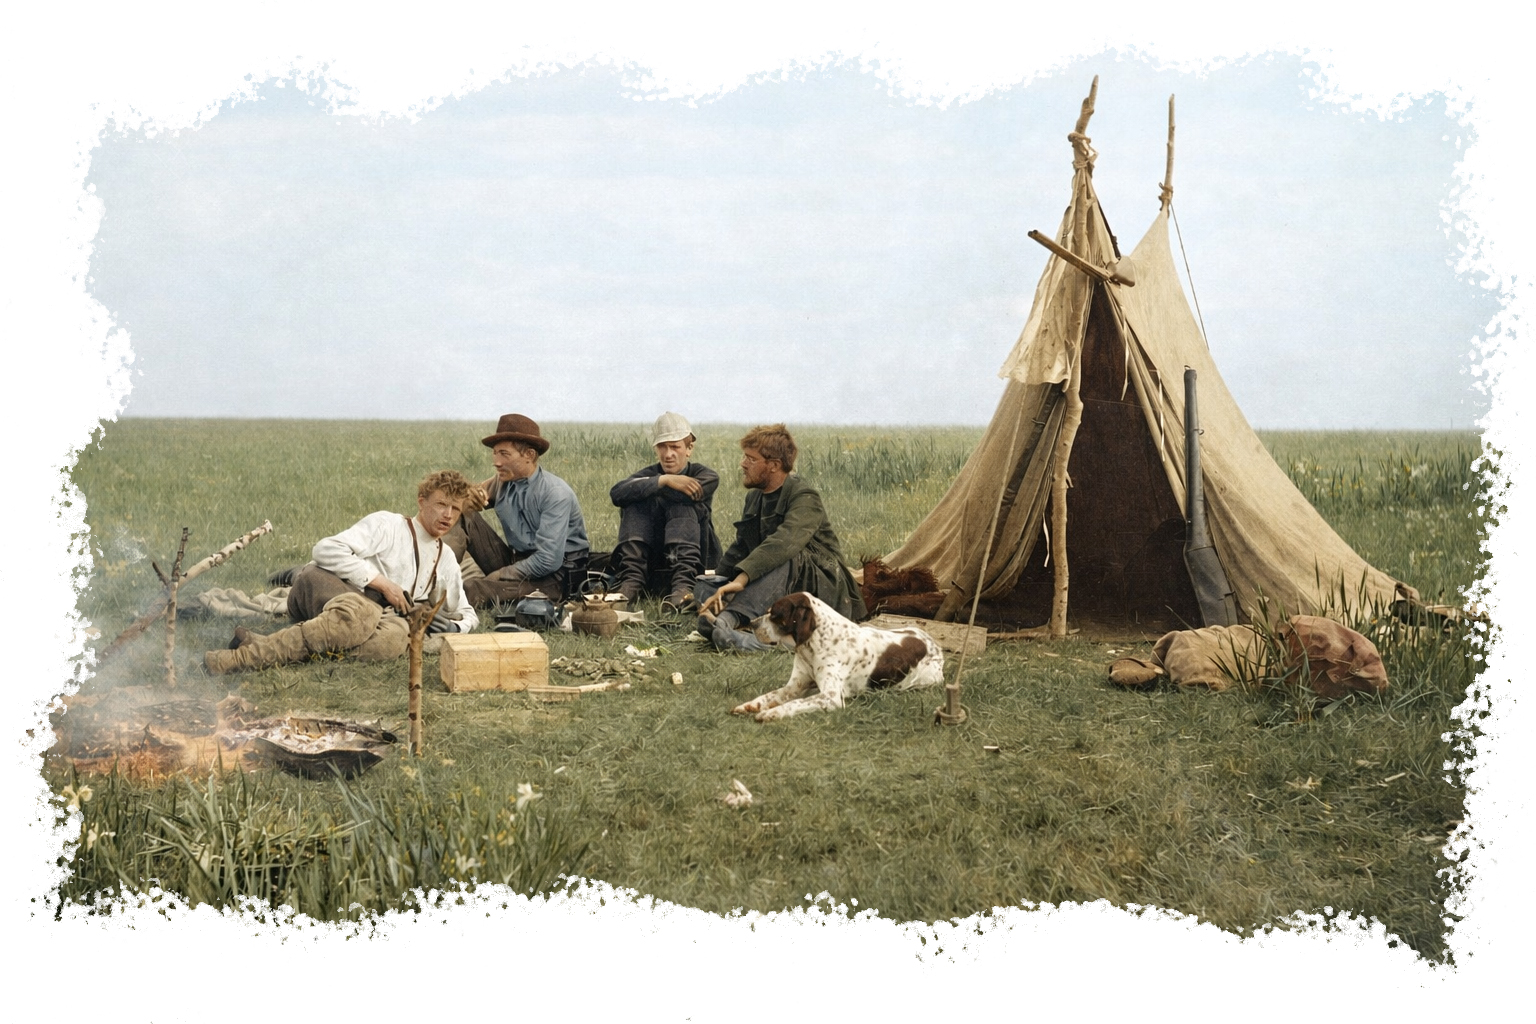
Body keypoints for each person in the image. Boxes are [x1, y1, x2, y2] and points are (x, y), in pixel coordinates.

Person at [204, 470, 481, 673]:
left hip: (374, 617)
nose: (448, 515)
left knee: (390, 642)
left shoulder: (445, 558)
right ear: (422, 502)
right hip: (322, 585)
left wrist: (455, 627)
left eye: (455, 509)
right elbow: (325, 549)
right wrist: (383, 584)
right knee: (358, 615)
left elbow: (467, 613)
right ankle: (234, 661)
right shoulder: (388, 525)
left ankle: (261, 643)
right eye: (441, 504)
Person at [699, 423, 866, 651]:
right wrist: (718, 583)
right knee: (707, 588)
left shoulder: (804, 495)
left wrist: (741, 580)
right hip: (780, 582)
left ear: (774, 466)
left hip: (822, 586)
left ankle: (732, 625)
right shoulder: (755, 497)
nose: (743, 464)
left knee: (788, 555)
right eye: (744, 457)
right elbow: (741, 547)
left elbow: (784, 542)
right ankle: (724, 624)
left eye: (751, 459)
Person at [450, 413, 590, 606]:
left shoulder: (555, 493)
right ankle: (434, 573)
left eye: (504, 454)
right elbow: (463, 503)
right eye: (495, 453)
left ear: (529, 455)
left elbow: (548, 560)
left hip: (555, 576)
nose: (496, 462)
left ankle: (437, 601)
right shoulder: (502, 481)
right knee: (464, 515)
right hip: (517, 561)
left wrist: (501, 574)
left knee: (474, 589)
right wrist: (467, 498)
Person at [608, 411, 721, 612]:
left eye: (675, 447)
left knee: (680, 504)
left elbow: (687, 495)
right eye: (662, 446)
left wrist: (649, 487)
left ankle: (683, 588)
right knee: (634, 502)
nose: (668, 454)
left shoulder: (705, 475)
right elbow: (617, 493)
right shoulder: (654, 474)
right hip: (654, 563)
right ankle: (632, 582)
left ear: (689, 449)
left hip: (695, 566)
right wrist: (664, 480)